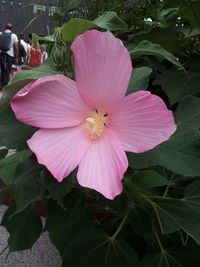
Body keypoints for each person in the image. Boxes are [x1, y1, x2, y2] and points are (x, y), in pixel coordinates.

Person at [0, 23, 18, 87]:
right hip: (9, 55)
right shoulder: (14, 35)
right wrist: (16, 58)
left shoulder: (1, 33)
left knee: (2, 70)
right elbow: (16, 48)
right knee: (8, 71)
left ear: (5, 27)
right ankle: (6, 86)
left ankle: (1, 85)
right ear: (11, 28)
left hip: (1, 54)